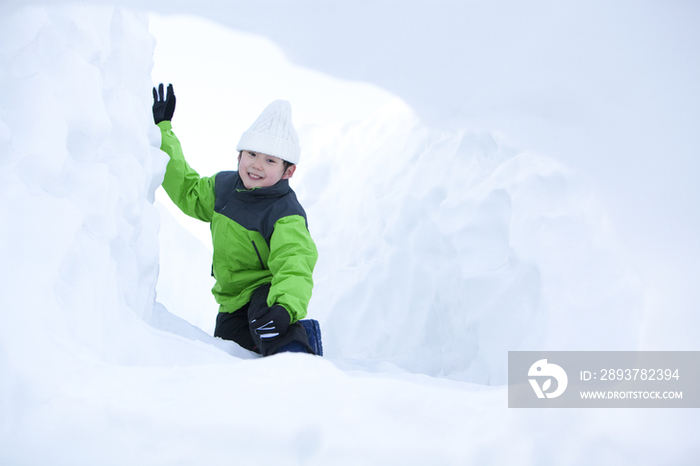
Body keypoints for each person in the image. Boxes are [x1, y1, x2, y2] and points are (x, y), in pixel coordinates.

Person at [152, 83, 322, 356]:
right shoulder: (223, 188)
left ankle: (296, 357)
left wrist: (284, 308)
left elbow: (295, 262)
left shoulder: (284, 212)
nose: (256, 165)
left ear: (288, 171)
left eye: (270, 160)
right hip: (231, 299)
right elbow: (186, 190)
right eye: (252, 154)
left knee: (268, 323)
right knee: (229, 349)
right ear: (239, 155)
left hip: (265, 291)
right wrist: (162, 130)